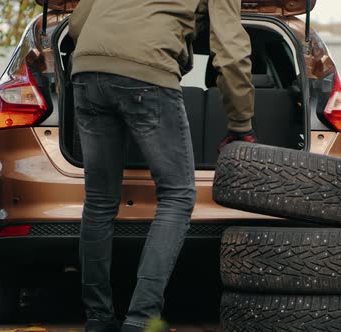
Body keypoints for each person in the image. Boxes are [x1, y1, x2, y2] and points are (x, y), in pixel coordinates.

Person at [68, 0, 255, 331]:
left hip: (87, 70)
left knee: (98, 201)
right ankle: (140, 320)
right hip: (147, 73)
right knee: (178, 196)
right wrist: (240, 124)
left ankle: (98, 320)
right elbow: (230, 52)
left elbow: (77, 24)